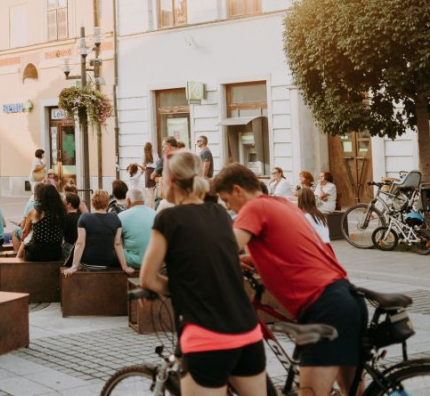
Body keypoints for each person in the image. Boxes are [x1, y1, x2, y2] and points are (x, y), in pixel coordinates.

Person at [214, 164, 360, 396]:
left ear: (237, 190)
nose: (228, 207)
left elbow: (224, 249)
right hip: (345, 296)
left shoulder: (254, 208)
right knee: (353, 392)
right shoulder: (281, 204)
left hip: (323, 306)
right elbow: (287, 249)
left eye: (226, 200)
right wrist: (253, 260)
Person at [141, 152, 267, 396]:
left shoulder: (168, 218)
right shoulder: (219, 213)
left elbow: (148, 277)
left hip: (206, 337)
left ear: (170, 182)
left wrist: (176, 288)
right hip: (248, 332)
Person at [65, 189, 133, 274]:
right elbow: (117, 244)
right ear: (107, 202)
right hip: (106, 262)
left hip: (87, 262)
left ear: (92, 202)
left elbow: (80, 243)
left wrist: (74, 267)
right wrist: (124, 267)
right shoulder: (115, 218)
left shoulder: (84, 217)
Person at [18, 184, 66, 262]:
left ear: (40, 197)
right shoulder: (61, 213)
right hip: (55, 252)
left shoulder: (34, 212)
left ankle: (16, 264)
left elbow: (25, 232)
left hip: (36, 253)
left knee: (24, 243)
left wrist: (23, 240)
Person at [119, 193, 156, 270]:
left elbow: (116, 242)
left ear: (128, 201)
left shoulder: (121, 216)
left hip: (133, 262)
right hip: (154, 261)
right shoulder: (155, 214)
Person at [62, 192, 82, 259]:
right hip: (81, 248)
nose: (62, 202)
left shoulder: (65, 218)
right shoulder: (82, 217)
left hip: (69, 247)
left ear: (69, 205)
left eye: (64, 201)